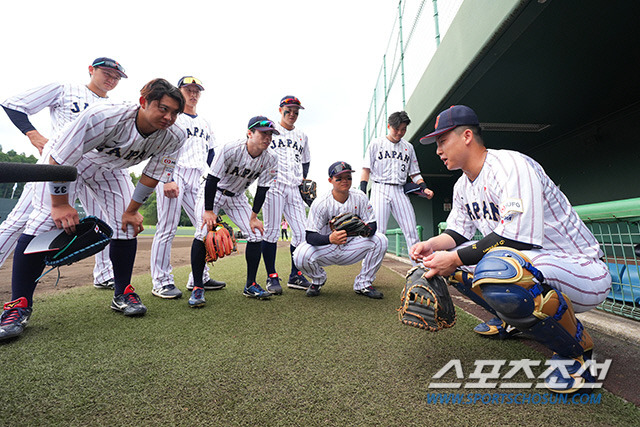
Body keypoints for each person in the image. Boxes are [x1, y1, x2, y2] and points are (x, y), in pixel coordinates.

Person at [410, 105, 611, 393]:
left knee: (502, 268)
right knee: (449, 265)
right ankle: (511, 319)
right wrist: (430, 246)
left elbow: (516, 238)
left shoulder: (510, 166)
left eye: (442, 141)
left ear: (467, 135)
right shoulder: (462, 186)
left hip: (582, 269)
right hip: (537, 263)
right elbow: (457, 234)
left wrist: (453, 257)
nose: (438, 150)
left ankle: (576, 354)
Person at [0, 78, 187, 341]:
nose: (169, 117)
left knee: (127, 226)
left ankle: (123, 292)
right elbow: (60, 159)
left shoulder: (175, 135)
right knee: (43, 222)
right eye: (162, 108)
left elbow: (151, 175)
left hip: (110, 169)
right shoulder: (104, 116)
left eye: (174, 112)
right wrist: (61, 204)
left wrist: (132, 210)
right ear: (143, 102)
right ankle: (18, 305)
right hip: (64, 161)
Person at [0, 57, 125, 289]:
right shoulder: (65, 89)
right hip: (59, 164)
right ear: (91, 70)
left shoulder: (113, 107)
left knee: (101, 222)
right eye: (107, 73)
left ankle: (104, 274)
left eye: (116, 77)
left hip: (94, 168)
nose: (112, 79)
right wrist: (32, 134)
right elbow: (13, 103)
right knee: (20, 221)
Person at [187, 116, 278, 308]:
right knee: (202, 232)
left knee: (255, 234)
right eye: (263, 133)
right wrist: (209, 211)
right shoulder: (230, 149)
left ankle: (251, 284)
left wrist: (254, 217)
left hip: (237, 197)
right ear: (250, 133)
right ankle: (197, 287)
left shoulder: (271, 158)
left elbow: (262, 189)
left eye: (270, 134)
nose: (268, 138)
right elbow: (211, 180)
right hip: (213, 192)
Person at [150, 76, 225, 299]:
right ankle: (161, 281)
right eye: (188, 89)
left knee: (204, 226)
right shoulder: (174, 118)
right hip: (175, 172)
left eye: (196, 91)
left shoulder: (205, 123)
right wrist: (166, 178)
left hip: (199, 176)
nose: (193, 94)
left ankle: (199, 278)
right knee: (167, 227)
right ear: (179, 91)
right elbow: (159, 147)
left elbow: (212, 154)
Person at [293, 161, 388, 298]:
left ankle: (364, 283)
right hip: (328, 247)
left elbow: (372, 225)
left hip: (351, 247)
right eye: (339, 178)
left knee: (381, 240)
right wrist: (329, 239)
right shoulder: (321, 203)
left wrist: (362, 230)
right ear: (330, 180)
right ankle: (318, 280)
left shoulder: (360, 197)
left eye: (348, 177)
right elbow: (310, 236)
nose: (345, 181)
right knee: (300, 254)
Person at [360, 111, 433, 264]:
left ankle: (418, 269)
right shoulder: (376, 143)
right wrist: (362, 191)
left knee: (412, 231)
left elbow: (415, 174)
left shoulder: (409, 147)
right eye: (396, 129)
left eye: (403, 129)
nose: (400, 132)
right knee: (378, 234)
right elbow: (366, 169)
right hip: (380, 188)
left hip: (400, 190)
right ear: (389, 126)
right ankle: (366, 277)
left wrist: (424, 187)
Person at [260, 96, 312, 295]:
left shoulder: (302, 136)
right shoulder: (270, 130)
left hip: (294, 187)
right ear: (280, 109)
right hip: (273, 184)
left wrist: (303, 179)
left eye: (296, 111)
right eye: (288, 110)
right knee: (271, 231)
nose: (292, 114)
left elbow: (306, 161)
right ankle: (271, 276)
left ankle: (295, 275)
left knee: (301, 232)